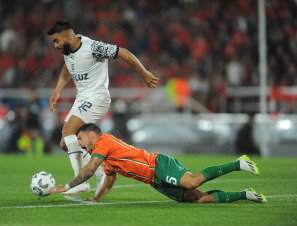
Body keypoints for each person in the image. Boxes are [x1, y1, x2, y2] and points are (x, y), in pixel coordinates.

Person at [46, 21, 159, 196]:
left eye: (56, 41)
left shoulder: (93, 47)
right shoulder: (67, 50)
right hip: (82, 98)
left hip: (97, 97)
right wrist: (57, 91)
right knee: (64, 143)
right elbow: (67, 69)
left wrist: (144, 73)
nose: (55, 45)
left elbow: (124, 52)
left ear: (67, 36)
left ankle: (80, 182)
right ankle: (101, 175)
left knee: (68, 131)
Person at [49, 123, 267, 204]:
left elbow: (89, 170)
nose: (78, 143)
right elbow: (110, 177)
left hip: (159, 165)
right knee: (200, 199)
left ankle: (238, 163)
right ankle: (245, 194)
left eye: (80, 139)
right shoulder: (107, 156)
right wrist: (96, 199)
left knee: (192, 182)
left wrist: (66, 186)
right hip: (156, 181)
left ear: (92, 135)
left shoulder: (104, 142)